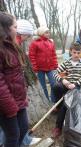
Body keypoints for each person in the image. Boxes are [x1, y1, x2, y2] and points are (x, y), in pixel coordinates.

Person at [0, 12, 29, 147]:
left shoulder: (11, 45)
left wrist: (23, 95)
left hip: (18, 99)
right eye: (15, 27)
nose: (17, 30)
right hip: (7, 104)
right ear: (5, 29)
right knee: (13, 136)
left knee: (23, 129)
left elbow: (16, 73)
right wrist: (10, 106)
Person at [52, 43, 81, 138]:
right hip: (67, 84)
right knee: (56, 86)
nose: (76, 55)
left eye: (78, 52)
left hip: (77, 86)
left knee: (66, 103)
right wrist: (63, 80)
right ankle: (58, 104)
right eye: (74, 52)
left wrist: (76, 84)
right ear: (70, 52)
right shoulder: (67, 62)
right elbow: (55, 73)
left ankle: (58, 127)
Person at [29, 26, 58, 103]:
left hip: (50, 68)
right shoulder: (35, 43)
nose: (48, 34)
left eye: (49, 32)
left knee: (54, 84)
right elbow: (32, 56)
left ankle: (53, 101)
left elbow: (54, 55)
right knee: (43, 86)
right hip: (39, 68)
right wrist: (34, 67)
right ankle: (46, 101)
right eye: (46, 32)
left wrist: (55, 65)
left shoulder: (51, 42)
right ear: (41, 33)